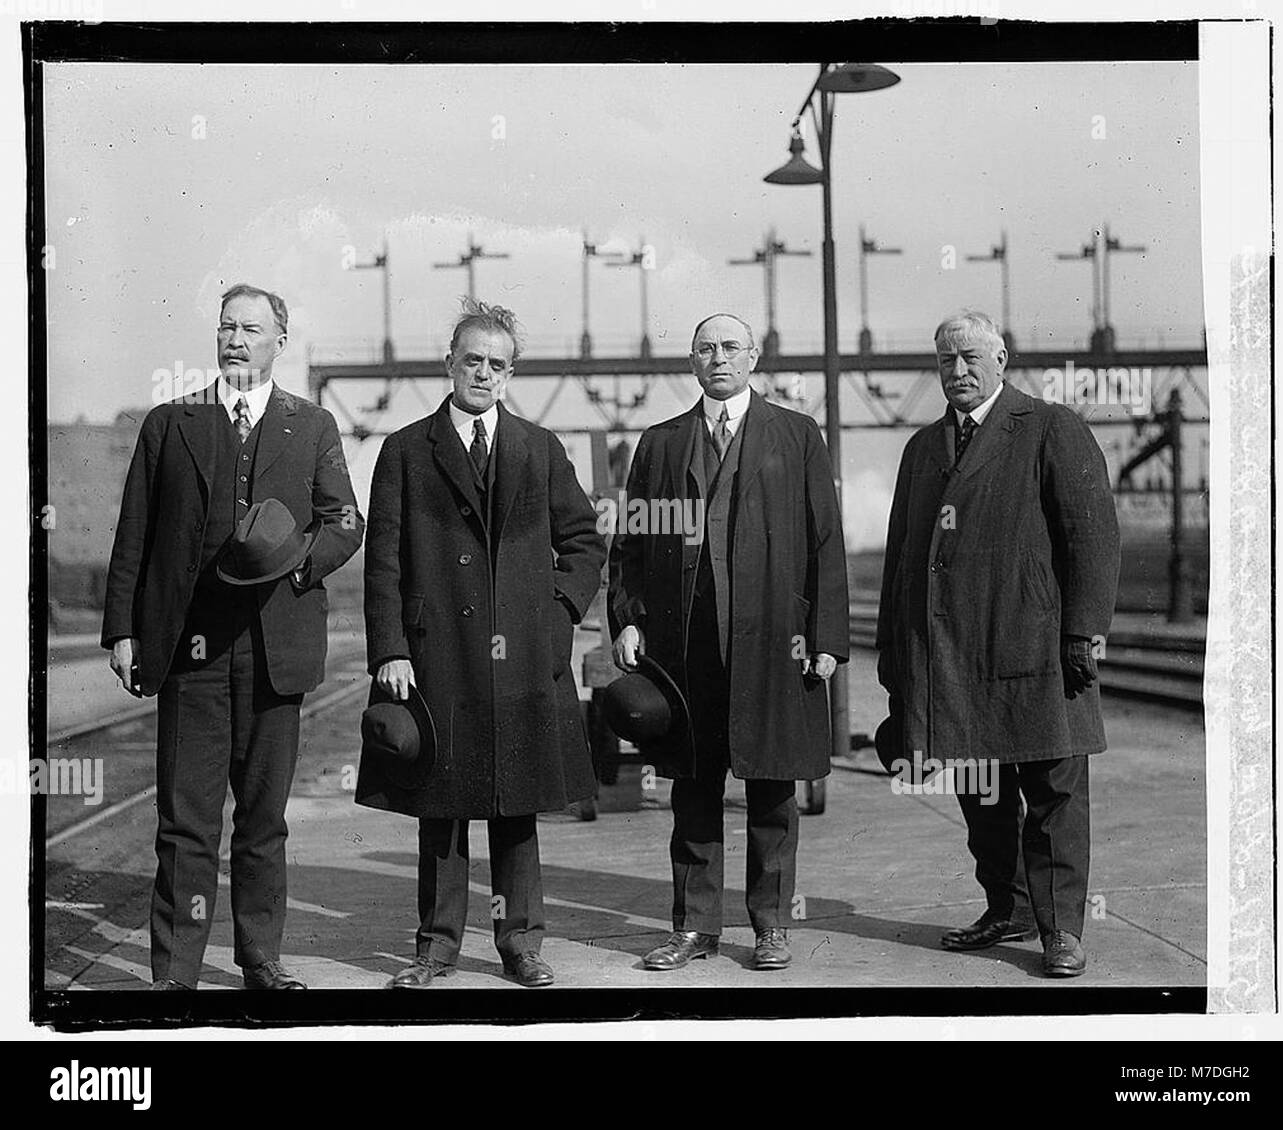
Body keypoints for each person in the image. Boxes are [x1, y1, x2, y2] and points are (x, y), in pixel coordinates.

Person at [102, 283, 364, 990]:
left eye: (251, 329)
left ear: (282, 340)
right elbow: (137, 533)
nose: (236, 339)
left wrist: (297, 565)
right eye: (226, 327)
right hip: (189, 651)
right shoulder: (171, 424)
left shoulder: (311, 427)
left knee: (262, 820)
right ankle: (175, 974)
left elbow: (345, 522)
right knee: (185, 821)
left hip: (278, 652)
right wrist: (122, 631)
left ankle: (260, 963)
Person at [356, 298, 605, 989]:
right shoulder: (406, 450)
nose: (484, 374)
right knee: (441, 808)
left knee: (517, 804)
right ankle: (434, 951)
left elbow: (584, 543)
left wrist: (556, 619)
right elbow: (384, 561)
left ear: (511, 373)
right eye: (473, 360)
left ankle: (519, 944)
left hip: (523, 656)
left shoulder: (539, 448)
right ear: (450, 363)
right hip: (438, 660)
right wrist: (390, 650)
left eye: (498, 364)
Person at [876, 309, 1120, 977]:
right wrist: (896, 665)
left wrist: (1082, 632)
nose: (957, 371)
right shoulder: (922, 449)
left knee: (1053, 799)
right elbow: (903, 560)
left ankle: (1061, 931)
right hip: (953, 662)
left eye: (970, 358)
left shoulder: (1049, 428)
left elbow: (1093, 539)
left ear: (1001, 361)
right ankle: (1005, 907)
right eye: (946, 361)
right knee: (982, 799)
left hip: (1035, 653)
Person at [607, 313, 849, 972]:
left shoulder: (797, 435)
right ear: (691, 361)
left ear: (755, 357)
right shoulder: (659, 444)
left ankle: (771, 925)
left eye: (731, 347)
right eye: (706, 349)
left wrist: (826, 636)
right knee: (693, 790)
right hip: (686, 651)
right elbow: (628, 545)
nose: (719, 358)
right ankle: (694, 927)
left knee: (772, 789)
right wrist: (627, 618)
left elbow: (825, 540)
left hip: (776, 645)